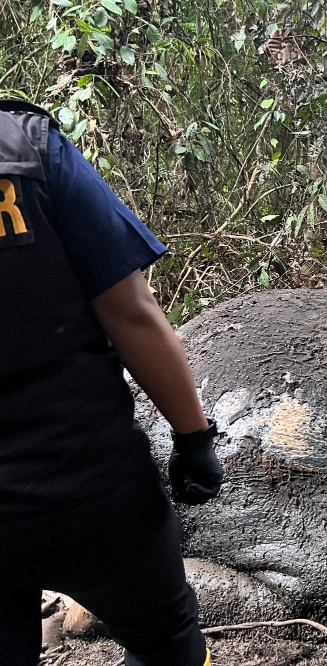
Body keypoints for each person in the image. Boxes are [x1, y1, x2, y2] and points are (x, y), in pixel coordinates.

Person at [0, 100, 223, 665]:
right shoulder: (25, 148)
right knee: (167, 643)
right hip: (92, 486)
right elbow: (132, 312)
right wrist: (193, 440)